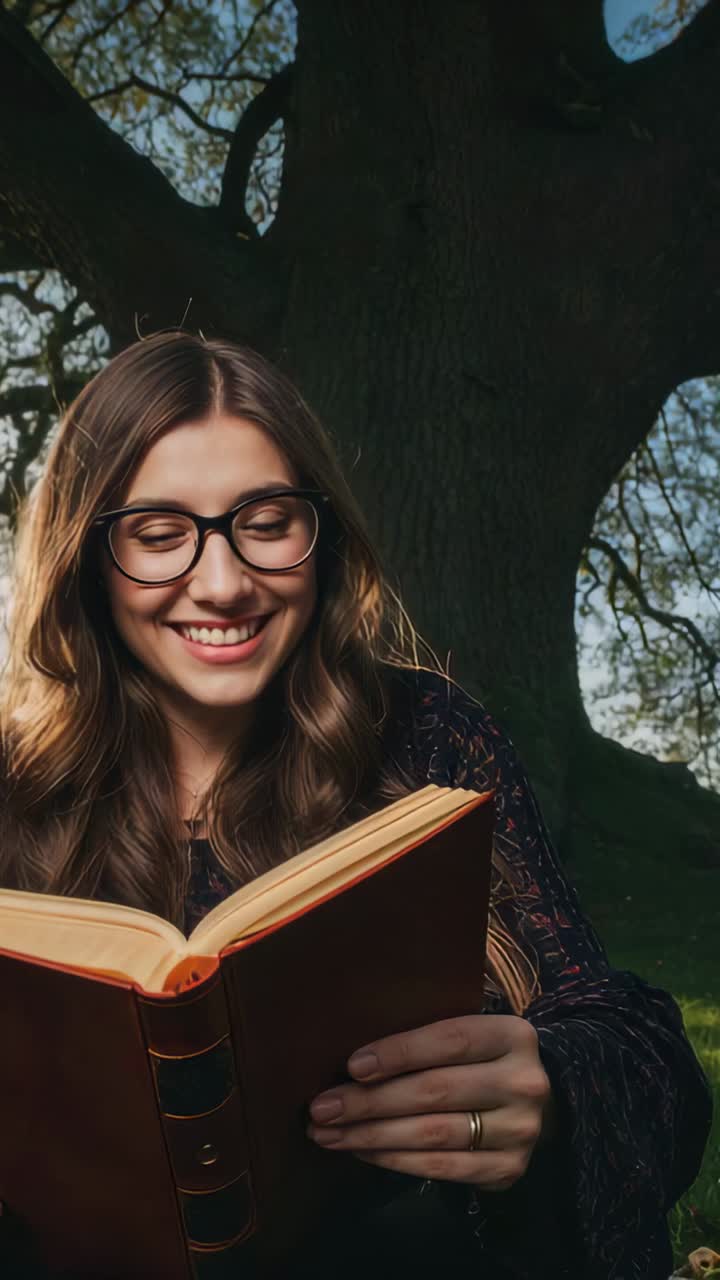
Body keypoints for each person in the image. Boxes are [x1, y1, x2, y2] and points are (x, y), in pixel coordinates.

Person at [0, 330, 711, 1280]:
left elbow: (637, 1051)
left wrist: (551, 1095)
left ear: (322, 534)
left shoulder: (427, 734)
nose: (224, 583)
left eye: (267, 522)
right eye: (160, 536)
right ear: (91, 557)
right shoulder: (11, 786)